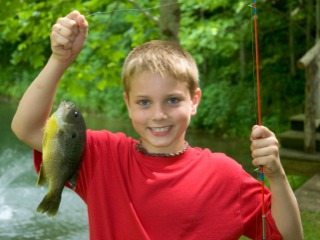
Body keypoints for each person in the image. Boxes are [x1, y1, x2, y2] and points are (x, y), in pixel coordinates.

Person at [11, 10, 303, 240]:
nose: (159, 115)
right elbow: (27, 128)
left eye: (173, 100)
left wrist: (276, 175)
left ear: (195, 100)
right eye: (144, 102)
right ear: (127, 103)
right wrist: (60, 60)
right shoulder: (104, 155)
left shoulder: (225, 175)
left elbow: (290, 236)